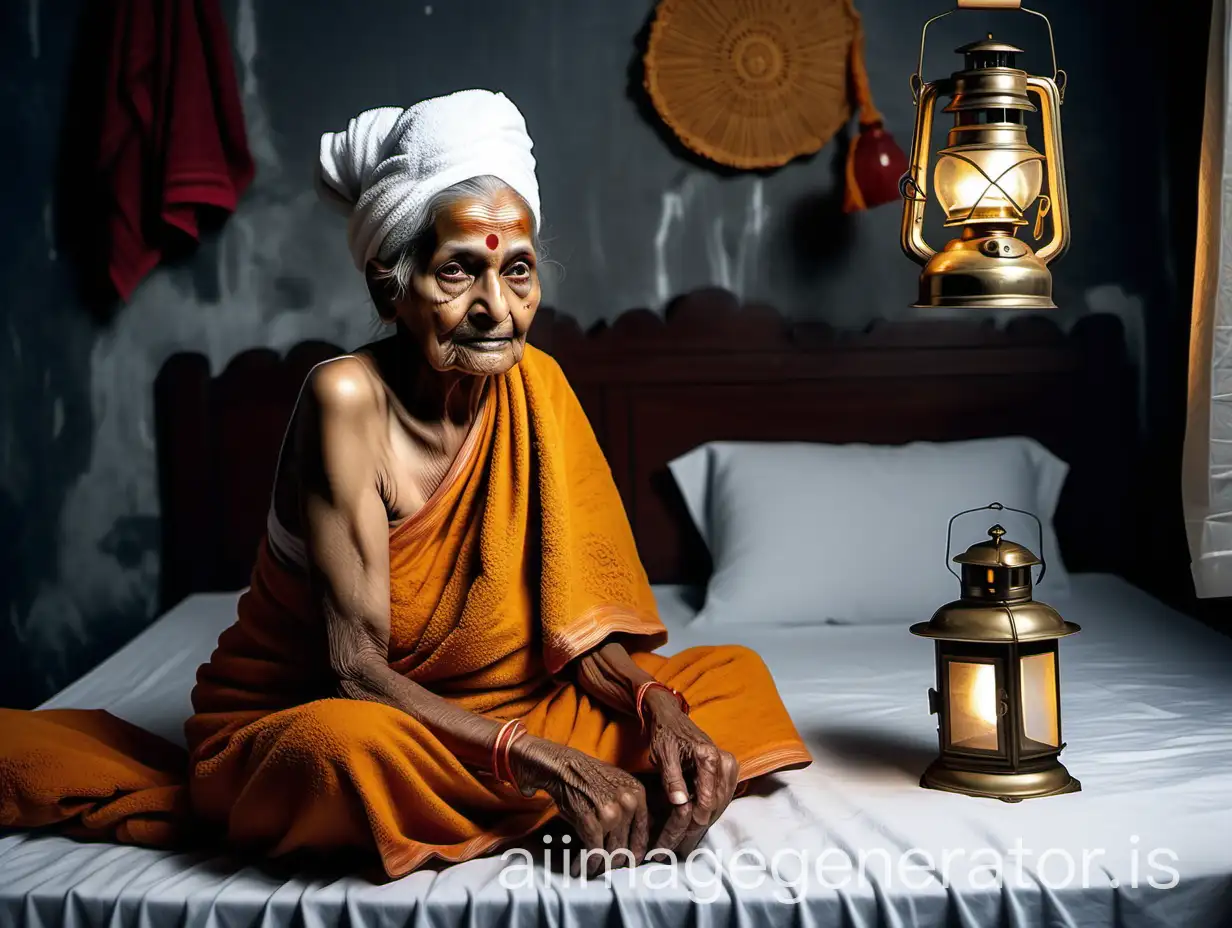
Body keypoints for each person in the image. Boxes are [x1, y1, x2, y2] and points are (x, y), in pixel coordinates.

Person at [0, 90, 811, 880]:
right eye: (460, 272)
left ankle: (548, 787)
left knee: (729, 679)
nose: (497, 307)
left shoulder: (541, 387)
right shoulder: (344, 400)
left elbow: (585, 635)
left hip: (510, 706)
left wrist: (658, 713)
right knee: (340, 759)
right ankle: (549, 790)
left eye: (518, 271)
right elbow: (353, 669)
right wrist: (541, 760)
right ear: (391, 285)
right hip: (363, 717)